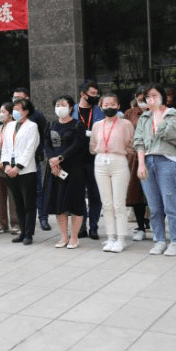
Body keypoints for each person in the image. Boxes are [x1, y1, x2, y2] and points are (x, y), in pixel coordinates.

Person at [134, 84, 176, 256]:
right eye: (148, 97)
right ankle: (160, 240)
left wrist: (158, 116)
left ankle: (175, 241)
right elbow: (139, 141)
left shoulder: (173, 114)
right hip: (148, 161)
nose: (151, 100)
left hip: (167, 160)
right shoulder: (144, 118)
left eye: (154, 96)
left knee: (171, 204)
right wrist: (141, 164)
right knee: (154, 206)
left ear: (162, 96)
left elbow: (170, 134)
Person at [90, 93, 135, 252]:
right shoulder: (97, 125)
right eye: (106, 104)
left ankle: (121, 239)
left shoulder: (126, 124)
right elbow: (93, 146)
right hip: (101, 162)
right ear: (101, 106)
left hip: (118, 161)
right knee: (107, 204)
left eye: (112, 104)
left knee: (119, 204)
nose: (109, 107)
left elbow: (131, 145)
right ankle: (110, 237)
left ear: (118, 106)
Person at [45, 95, 88, 249]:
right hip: (55, 169)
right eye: (57, 104)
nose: (60, 107)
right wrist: (52, 161)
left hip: (74, 169)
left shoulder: (78, 125)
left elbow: (77, 145)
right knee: (59, 203)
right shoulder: (51, 125)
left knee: (75, 203)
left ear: (70, 108)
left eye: (63, 105)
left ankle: (74, 237)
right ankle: (63, 236)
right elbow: (47, 144)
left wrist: (60, 158)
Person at [1, 98, 40, 245]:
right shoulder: (10, 126)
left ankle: (29, 234)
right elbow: (5, 147)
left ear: (26, 111)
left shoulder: (32, 126)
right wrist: (6, 166)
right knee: (18, 203)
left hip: (26, 171)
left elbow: (30, 150)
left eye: (18, 109)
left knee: (28, 203)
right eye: (14, 108)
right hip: (10, 170)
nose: (15, 111)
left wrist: (17, 167)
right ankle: (22, 232)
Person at [12, 88, 50, 231]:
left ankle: (43, 218)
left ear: (27, 99)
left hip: (33, 158)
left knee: (38, 190)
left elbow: (44, 135)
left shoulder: (36, 116)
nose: (16, 99)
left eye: (19, 97)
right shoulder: (13, 115)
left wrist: (41, 151)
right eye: (14, 97)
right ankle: (24, 223)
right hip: (15, 160)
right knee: (21, 193)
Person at [71, 80, 104, 239]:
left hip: (95, 158)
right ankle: (81, 226)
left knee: (95, 195)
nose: (95, 97)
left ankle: (94, 227)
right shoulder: (72, 111)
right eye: (92, 94)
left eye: (97, 94)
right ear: (83, 94)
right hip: (76, 159)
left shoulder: (99, 111)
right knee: (78, 195)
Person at [125, 87, 149, 240]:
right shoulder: (130, 113)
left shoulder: (159, 112)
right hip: (134, 157)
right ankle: (141, 226)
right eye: (140, 97)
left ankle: (156, 225)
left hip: (154, 155)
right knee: (137, 193)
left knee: (156, 194)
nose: (143, 100)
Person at [0, 103, 19, 234]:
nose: (0, 114)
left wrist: (8, 163)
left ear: (10, 114)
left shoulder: (17, 128)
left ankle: (16, 224)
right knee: (0, 198)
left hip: (12, 167)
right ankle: (1, 224)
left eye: (3, 111)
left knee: (14, 198)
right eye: (0, 111)